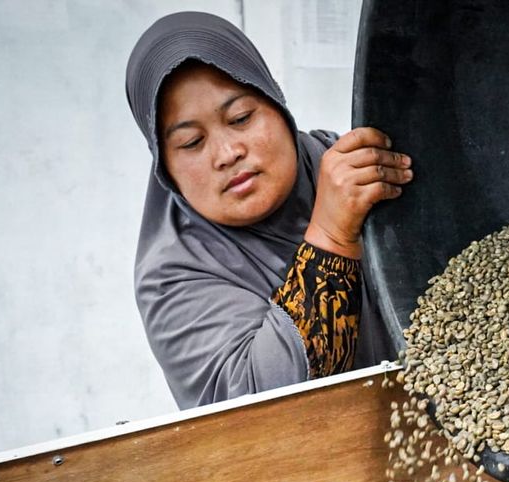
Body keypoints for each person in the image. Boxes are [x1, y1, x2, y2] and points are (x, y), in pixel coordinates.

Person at [125, 11, 409, 408]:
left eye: (241, 118)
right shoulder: (173, 277)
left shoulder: (349, 167)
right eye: (191, 142)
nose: (227, 153)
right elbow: (265, 411)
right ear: (164, 166)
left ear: (275, 101)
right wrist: (330, 233)